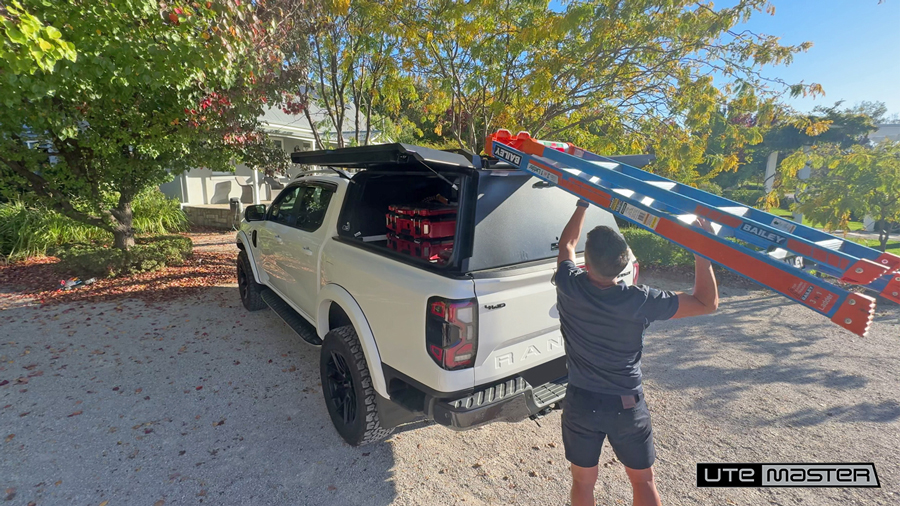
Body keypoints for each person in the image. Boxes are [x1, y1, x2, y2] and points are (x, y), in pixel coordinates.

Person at [555, 199, 719, 506]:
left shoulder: (569, 284)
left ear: (585, 264)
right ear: (625, 264)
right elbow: (707, 303)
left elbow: (567, 244)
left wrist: (581, 204)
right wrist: (702, 253)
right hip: (626, 406)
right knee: (642, 480)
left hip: (581, 401)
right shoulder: (640, 300)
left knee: (582, 481)